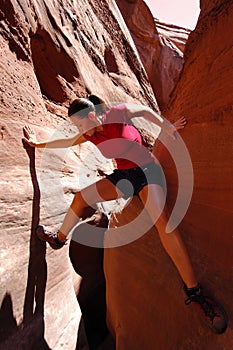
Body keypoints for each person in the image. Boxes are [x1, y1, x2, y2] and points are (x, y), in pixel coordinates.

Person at [23, 96, 227, 334]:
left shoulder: (116, 114)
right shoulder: (89, 133)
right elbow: (66, 141)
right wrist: (37, 145)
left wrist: (167, 126)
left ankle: (196, 293)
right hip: (124, 176)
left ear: (91, 116)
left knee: (163, 222)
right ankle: (58, 239)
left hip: (148, 171)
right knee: (81, 198)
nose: (78, 130)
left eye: (79, 124)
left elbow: (142, 111)